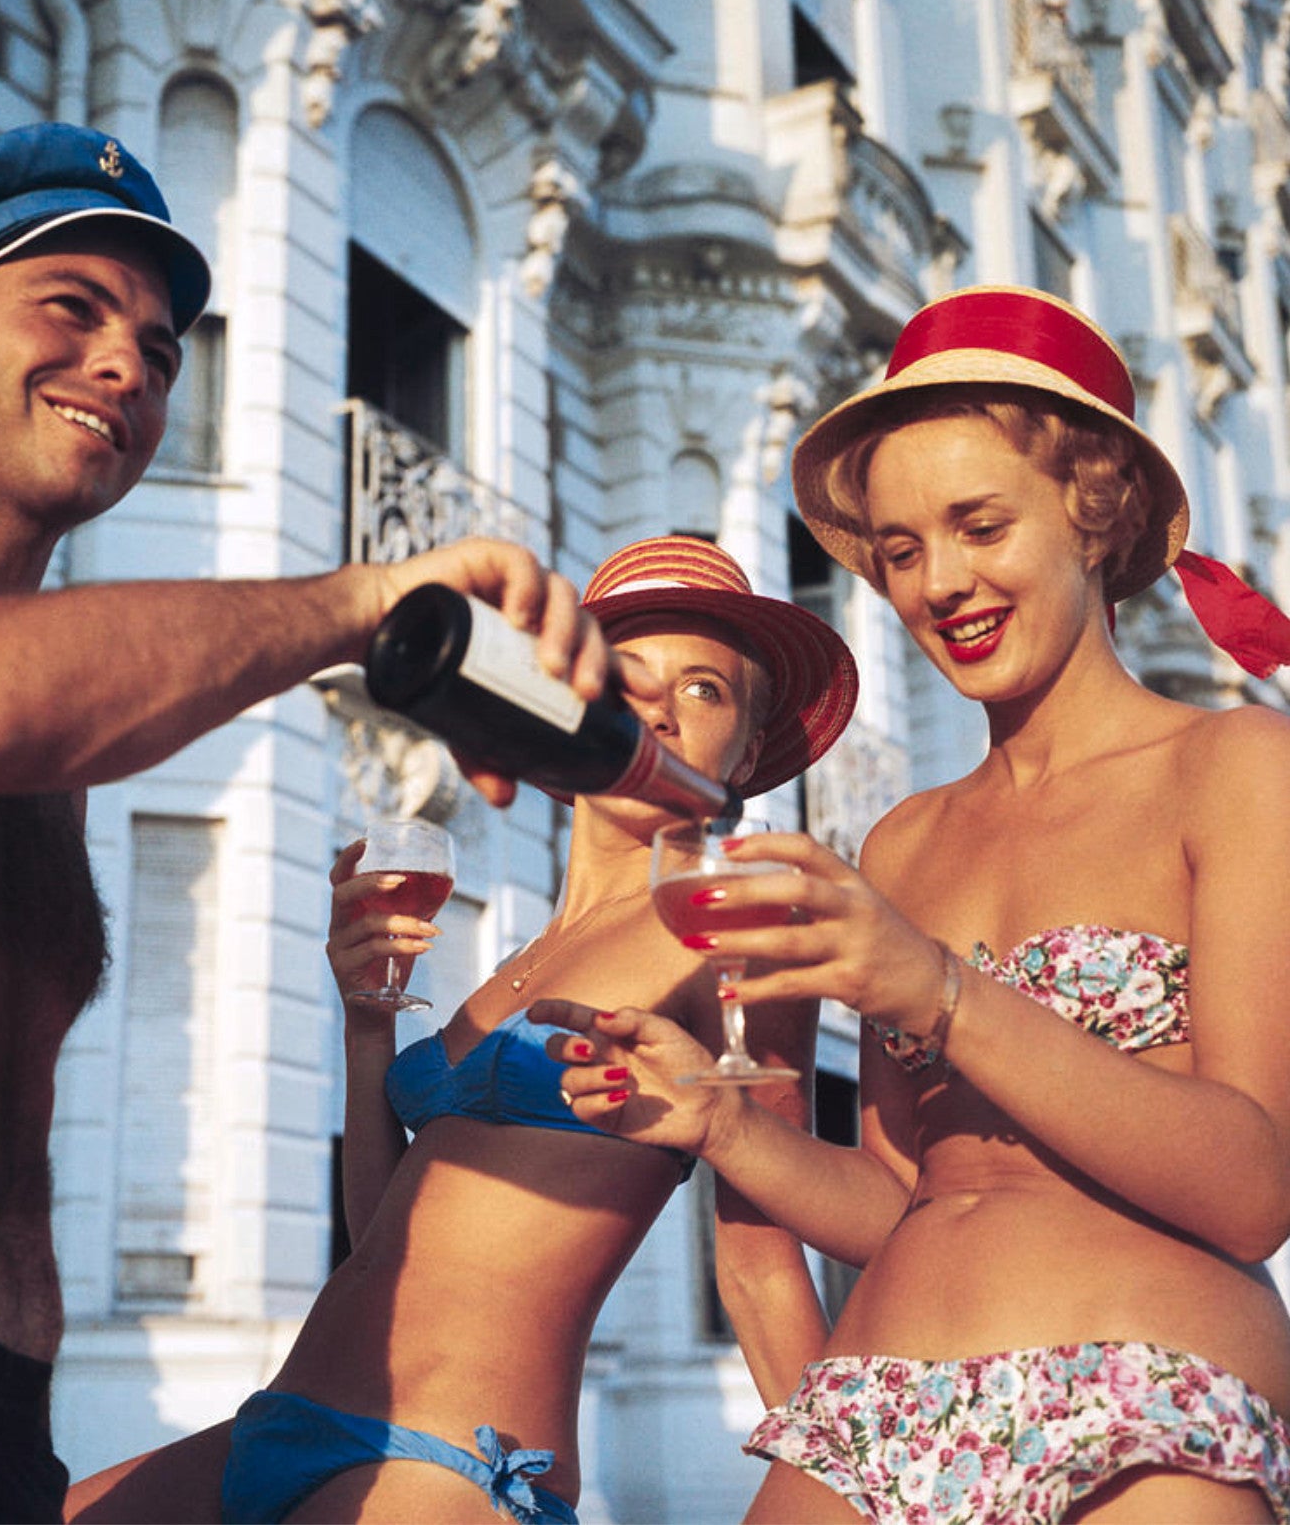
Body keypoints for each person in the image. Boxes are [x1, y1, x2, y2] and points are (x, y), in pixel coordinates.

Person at [0, 120, 628, 1523]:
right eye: (73, 310)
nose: (126, 368)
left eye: (159, 351)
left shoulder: (64, 727)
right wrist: (364, 607)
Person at [537, 286, 1290, 1523]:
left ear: (1094, 514)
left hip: (1140, 1397)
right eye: (898, 550)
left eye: (980, 525)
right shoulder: (902, 838)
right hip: (873, 1416)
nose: (941, 582)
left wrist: (935, 989)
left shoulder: (1236, 765)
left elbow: (1254, 1181)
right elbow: (899, 1201)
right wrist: (724, 1126)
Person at [62, 534, 860, 1523]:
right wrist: (366, 1032)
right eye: (625, 679)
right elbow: (382, 1238)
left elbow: (759, 1265)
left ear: (749, 749)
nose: (656, 708)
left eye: (705, 691)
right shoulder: (505, 969)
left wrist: (859, 1492)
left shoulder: (731, 929)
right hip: (286, 1418)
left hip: (452, 1459)